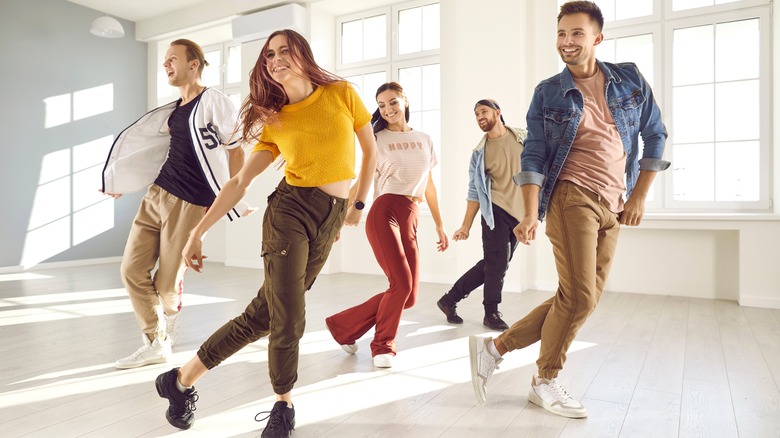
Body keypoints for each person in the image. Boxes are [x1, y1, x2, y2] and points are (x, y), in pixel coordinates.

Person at [154, 29, 377, 438]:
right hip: (289, 212)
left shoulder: (341, 93)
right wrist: (197, 232)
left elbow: (370, 149)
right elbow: (239, 182)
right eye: (268, 55)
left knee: (262, 316)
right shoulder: (275, 120)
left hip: (329, 216)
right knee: (289, 316)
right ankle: (283, 405)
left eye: (283, 51)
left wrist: (357, 205)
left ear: (302, 54)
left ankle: (180, 381)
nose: (275, 60)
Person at [469, 0, 669, 419]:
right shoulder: (548, 91)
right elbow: (533, 155)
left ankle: (494, 348)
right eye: (561, 33)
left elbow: (655, 134)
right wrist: (529, 214)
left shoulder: (629, 79)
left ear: (597, 37)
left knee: (580, 297)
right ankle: (544, 381)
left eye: (577, 33)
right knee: (579, 296)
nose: (567, 41)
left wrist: (639, 196)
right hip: (571, 197)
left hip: (615, 201)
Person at [102, 39, 250, 370]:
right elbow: (157, 153)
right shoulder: (174, 109)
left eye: (172, 59)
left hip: (191, 204)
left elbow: (236, 150)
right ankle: (156, 341)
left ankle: (172, 309)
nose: (166, 64)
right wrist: (123, 181)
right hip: (157, 195)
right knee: (130, 270)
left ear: (193, 64)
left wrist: (234, 196)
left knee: (166, 285)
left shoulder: (214, 102)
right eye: (165, 60)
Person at [325, 82, 448, 369]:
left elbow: (429, 185)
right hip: (384, 211)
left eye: (393, 102)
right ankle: (383, 346)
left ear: (405, 101)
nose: (388, 109)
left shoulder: (425, 139)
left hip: (411, 215)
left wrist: (440, 224)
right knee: (401, 285)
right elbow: (361, 181)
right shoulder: (377, 139)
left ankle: (343, 326)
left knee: (409, 296)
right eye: (381, 105)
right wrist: (341, 217)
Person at [436, 99, 526, 331]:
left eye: (483, 111)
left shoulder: (523, 138)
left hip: (519, 214)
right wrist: (465, 226)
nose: (479, 117)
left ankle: (449, 300)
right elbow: (474, 191)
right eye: (476, 114)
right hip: (494, 211)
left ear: (497, 112)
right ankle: (490, 313)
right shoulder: (479, 153)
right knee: (497, 264)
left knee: (494, 263)